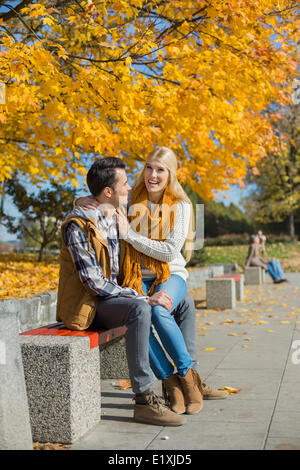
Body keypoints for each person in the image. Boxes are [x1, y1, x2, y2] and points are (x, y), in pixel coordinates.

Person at [76, 148, 227, 416]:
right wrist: (82, 199)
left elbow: (170, 251)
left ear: (170, 174)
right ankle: (170, 382)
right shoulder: (131, 197)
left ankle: (187, 377)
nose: (152, 175)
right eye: (148, 168)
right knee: (139, 315)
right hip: (134, 277)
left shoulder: (181, 205)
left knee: (159, 310)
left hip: (171, 274)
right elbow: (106, 198)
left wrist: (130, 236)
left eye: (160, 169)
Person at [57, 157, 187, 426]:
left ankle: (187, 379)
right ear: (108, 192)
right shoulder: (77, 226)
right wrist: (142, 296)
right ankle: (143, 399)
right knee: (140, 308)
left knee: (178, 303)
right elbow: (93, 282)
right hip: (86, 305)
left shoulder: (113, 214)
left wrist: (83, 197)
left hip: (109, 299)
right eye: (124, 184)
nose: (129, 188)